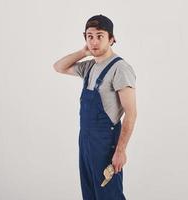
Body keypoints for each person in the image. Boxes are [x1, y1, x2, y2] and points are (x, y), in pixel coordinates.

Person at [53, 14, 137, 200]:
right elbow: (58, 67)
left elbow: (131, 114)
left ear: (112, 39)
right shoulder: (89, 66)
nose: (94, 41)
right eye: (90, 36)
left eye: (100, 36)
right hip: (86, 141)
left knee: (109, 194)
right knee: (90, 193)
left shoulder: (120, 69)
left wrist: (121, 151)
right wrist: (83, 52)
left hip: (107, 144)